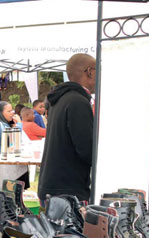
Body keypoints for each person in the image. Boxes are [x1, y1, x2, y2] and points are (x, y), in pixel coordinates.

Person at [38, 53, 97, 202]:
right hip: (68, 190)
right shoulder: (77, 101)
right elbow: (86, 149)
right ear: (90, 72)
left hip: (55, 185)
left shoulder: (61, 98)